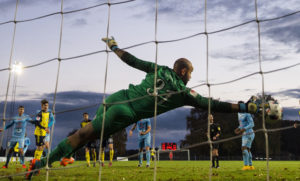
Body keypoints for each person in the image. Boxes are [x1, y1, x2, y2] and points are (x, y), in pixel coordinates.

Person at [26, 36, 258, 179]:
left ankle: (59, 157)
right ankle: (41, 164)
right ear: (184, 71)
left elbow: (132, 60)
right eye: (191, 73)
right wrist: (246, 107)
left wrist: (114, 46)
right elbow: (213, 104)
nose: (190, 78)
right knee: (86, 135)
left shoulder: (159, 69)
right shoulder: (185, 93)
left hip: (116, 97)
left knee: (89, 133)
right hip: (126, 111)